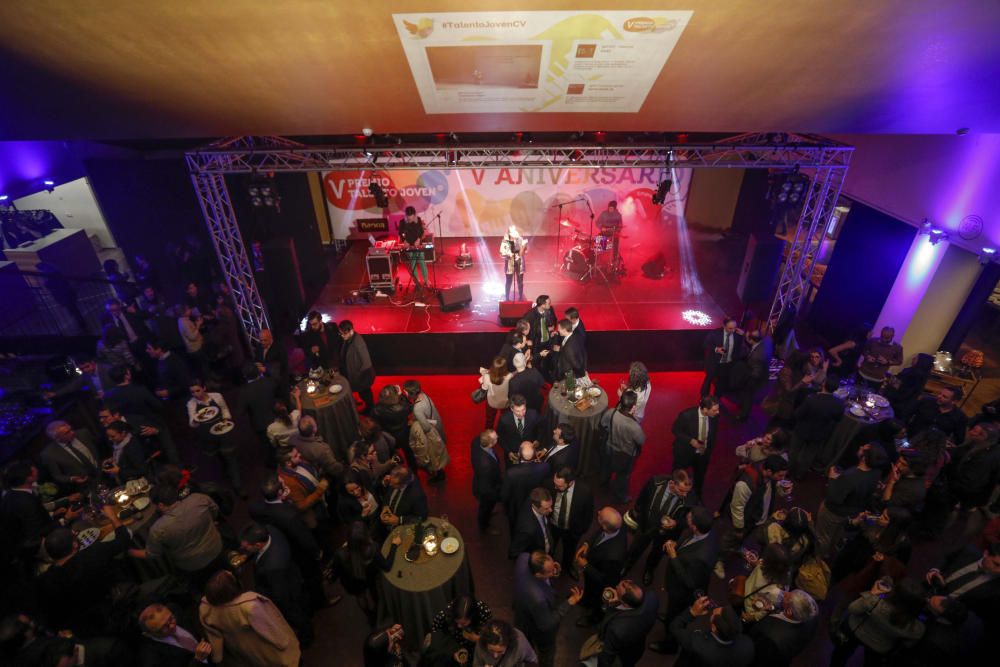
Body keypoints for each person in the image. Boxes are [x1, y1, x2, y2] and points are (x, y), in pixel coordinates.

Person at [35, 504, 131, 637]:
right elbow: (124, 540)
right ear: (74, 545)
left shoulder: (44, 581)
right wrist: (113, 517)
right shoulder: (92, 554)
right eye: (74, 536)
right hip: (116, 612)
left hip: (84, 631)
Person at [649, 507, 719, 655]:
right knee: (671, 613)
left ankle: (670, 645)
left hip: (682, 593)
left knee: (676, 619)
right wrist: (676, 544)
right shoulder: (705, 532)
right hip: (677, 586)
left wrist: (673, 556)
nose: (686, 518)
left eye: (689, 518)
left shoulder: (701, 556)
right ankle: (668, 616)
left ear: (694, 526)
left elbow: (689, 582)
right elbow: (689, 543)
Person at [199, 570, 301, 667]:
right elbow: (269, 630)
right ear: (231, 587)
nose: (231, 572)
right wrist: (283, 642)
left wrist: (217, 656)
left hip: (241, 647)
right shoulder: (249, 606)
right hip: (262, 646)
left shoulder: (205, 608)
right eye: (231, 577)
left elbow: (214, 635)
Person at [130, 485, 226, 586]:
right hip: (216, 547)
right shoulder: (199, 498)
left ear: (161, 505)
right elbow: (215, 510)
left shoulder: (158, 529)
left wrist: (129, 551)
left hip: (192, 566)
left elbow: (151, 554)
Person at [238, 523, 311, 644]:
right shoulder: (271, 530)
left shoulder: (272, 567)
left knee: (295, 615)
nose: (243, 549)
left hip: (286, 589)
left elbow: (280, 594)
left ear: (258, 545)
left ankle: (306, 637)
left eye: (246, 548)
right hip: (290, 573)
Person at [828, 578, 926, 667]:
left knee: (840, 656)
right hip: (880, 647)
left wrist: (872, 593)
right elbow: (909, 644)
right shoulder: (917, 628)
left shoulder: (874, 602)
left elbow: (852, 608)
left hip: (856, 630)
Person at [623, 468, 696, 585]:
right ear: (672, 483)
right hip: (646, 525)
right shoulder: (655, 483)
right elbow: (643, 496)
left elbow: (690, 520)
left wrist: (676, 523)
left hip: (666, 534)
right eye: (682, 491)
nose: (685, 495)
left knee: (657, 554)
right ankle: (627, 565)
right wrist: (638, 511)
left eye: (687, 491)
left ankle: (649, 570)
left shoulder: (690, 497)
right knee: (636, 547)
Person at [513, 552, 582, 667]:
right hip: (538, 628)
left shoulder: (524, 557)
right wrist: (569, 602)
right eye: (550, 571)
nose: (554, 571)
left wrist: (553, 572)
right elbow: (546, 624)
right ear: (538, 575)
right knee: (546, 654)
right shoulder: (538, 599)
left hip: (522, 615)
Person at [815, 444, 883, 559]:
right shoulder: (876, 472)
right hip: (852, 512)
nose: (860, 447)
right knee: (838, 536)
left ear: (865, 458)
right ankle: (829, 555)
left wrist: (832, 478)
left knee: (823, 537)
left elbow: (834, 498)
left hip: (833, 513)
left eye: (863, 448)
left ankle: (816, 558)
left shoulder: (851, 476)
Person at [334, 522, 400, 625]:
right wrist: (394, 545)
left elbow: (337, 572)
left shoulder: (339, 554)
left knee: (360, 596)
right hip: (369, 577)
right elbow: (387, 566)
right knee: (374, 590)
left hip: (353, 582)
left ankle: (369, 615)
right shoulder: (373, 549)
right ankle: (379, 609)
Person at [575, 507, 629, 626]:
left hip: (600, 585)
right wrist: (587, 543)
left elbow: (606, 581)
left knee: (598, 601)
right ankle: (586, 600)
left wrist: (585, 566)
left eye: (600, 515)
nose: (598, 512)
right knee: (589, 590)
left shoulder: (614, 557)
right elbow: (600, 532)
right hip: (593, 572)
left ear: (605, 526)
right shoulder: (615, 526)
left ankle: (594, 619)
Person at [590, 579, 659, 667]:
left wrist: (612, 606)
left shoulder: (616, 629)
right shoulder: (652, 598)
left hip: (621, 657)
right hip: (637, 649)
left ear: (625, 603)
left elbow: (607, 657)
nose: (616, 587)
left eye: (617, 588)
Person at [670, 596, 754, 667]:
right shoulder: (748, 645)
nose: (715, 608)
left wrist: (692, 612)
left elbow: (675, 627)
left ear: (714, 628)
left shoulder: (696, 643)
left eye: (713, 614)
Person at [748, 589, 819, 666]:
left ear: (789, 612)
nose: (785, 593)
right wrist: (772, 608)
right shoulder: (811, 616)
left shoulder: (770, 637)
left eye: (787, 597)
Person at [791, 376, 843, 477]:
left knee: (794, 451)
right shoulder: (838, 404)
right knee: (809, 455)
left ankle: (789, 471)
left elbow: (797, 414)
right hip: (819, 433)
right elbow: (838, 419)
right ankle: (800, 475)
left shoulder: (811, 399)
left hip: (802, 430)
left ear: (823, 384)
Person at [547, 466, 594, 576]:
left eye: (559, 486)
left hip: (572, 530)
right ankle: (549, 565)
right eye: (555, 483)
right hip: (552, 526)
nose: (554, 487)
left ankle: (567, 567)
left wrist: (580, 531)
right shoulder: (549, 484)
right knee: (550, 547)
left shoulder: (585, 492)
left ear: (571, 483)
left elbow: (588, 515)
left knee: (570, 550)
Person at [601, 390, 646, 503]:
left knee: (606, 468)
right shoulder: (634, 426)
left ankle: (604, 484)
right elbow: (641, 440)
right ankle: (621, 496)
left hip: (608, 448)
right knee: (622, 477)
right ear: (633, 407)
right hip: (625, 455)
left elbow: (603, 424)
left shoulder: (611, 412)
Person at [671, 395, 721, 497]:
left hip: (702, 454)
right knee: (678, 475)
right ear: (705, 409)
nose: (718, 412)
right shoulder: (687, 415)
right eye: (715, 410)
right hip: (685, 452)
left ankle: (697, 496)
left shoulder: (713, 417)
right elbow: (675, 430)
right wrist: (690, 441)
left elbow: (713, 434)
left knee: (700, 476)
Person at [137, 602, 214, 667]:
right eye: (163, 628)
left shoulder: (178, 611)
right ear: (148, 635)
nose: (172, 626)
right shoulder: (151, 658)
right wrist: (198, 660)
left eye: (171, 619)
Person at [950, 422, 1000, 511]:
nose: (972, 433)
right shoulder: (976, 445)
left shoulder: (983, 458)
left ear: (985, 439)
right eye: (973, 429)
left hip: (965, 492)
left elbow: (969, 482)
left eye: (978, 433)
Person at [39, 421, 101, 491]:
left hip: (105, 473)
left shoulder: (83, 433)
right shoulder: (49, 454)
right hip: (87, 487)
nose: (73, 433)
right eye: (67, 433)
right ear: (57, 438)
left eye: (71, 429)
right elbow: (57, 476)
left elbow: (100, 447)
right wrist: (71, 479)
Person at [277, 447, 330, 530]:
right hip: (315, 510)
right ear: (288, 463)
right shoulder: (289, 482)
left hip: (321, 500)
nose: (300, 455)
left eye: (298, 452)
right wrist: (320, 490)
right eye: (296, 455)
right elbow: (301, 505)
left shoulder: (299, 462)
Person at [502, 442, 550, 533]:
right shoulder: (545, 467)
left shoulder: (511, 473)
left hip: (517, 509)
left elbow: (505, 495)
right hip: (536, 506)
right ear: (535, 454)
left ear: (519, 454)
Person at [738, 544, 792, 624]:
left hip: (748, 606)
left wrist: (748, 618)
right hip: (747, 590)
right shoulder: (772, 566)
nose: (763, 558)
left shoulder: (776, 593)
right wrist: (756, 562)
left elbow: (764, 611)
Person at [430, 596, 494, 662]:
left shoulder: (483, 612)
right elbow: (437, 633)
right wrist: (454, 650)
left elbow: (490, 636)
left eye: (463, 623)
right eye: (456, 622)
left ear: (472, 617)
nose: (459, 626)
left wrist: (477, 639)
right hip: (453, 640)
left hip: (476, 642)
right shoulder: (446, 613)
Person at [237, 363, 279, 452]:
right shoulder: (269, 382)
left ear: (245, 376)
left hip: (260, 425)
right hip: (276, 418)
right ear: (258, 372)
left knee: (268, 446)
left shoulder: (244, 392)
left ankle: (272, 463)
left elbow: (240, 412)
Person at [372, 385, 415, 469]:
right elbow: (410, 408)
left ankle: (396, 467)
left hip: (388, 435)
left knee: (392, 453)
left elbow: (375, 423)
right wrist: (401, 395)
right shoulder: (403, 407)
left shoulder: (376, 410)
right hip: (404, 433)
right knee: (409, 453)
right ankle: (413, 470)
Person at [736, 326, 774, 421]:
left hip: (755, 377)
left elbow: (755, 372)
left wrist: (747, 380)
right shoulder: (767, 340)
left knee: (748, 395)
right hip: (763, 373)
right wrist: (745, 333)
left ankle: (743, 415)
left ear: (751, 341)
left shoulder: (756, 356)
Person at [701, 317, 745, 398]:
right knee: (708, 381)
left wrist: (744, 335)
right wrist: (716, 349)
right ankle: (704, 400)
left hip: (727, 364)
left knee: (721, 384)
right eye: (730, 328)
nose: (733, 330)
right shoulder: (715, 333)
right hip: (714, 362)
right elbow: (706, 344)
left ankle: (716, 400)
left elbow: (742, 348)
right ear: (724, 326)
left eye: (735, 328)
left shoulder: (738, 334)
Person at [340, 320, 376, 413]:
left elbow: (366, 363)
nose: (342, 335)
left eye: (344, 333)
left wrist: (357, 375)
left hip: (362, 376)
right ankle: (369, 407)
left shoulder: (358, 343)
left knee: (365, 393)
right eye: (341, 333)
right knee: (363, 393)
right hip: (357, 374)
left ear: (351, 331)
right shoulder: (349, 339)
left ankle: (370, 409)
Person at [472, 430, 503, 533]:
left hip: (483, 481)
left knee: (488, 506)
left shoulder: (476, 441)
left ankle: (489, 511)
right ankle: (484, 527)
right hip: (488, 490)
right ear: (490, 444)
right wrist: (495, 496)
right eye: (496, 438)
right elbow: (486, 488)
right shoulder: (486, 465)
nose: (498, 437)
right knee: (485, 507)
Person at [509, 487, 554, 559]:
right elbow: (514, 551)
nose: (551, 510)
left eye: (551, 506)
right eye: (546, 508)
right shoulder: (528, 529)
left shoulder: (533, 500)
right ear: (535, 506)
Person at [496, 394, 542, 461]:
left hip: (529, 449)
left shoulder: (533, 414)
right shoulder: (504, 419)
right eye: (517, 411)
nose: (521, 413)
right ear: (511, 409)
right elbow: (500, 436)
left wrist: (538, 439)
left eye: (523, 409)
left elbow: (541, 427)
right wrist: (508, 451)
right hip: (513, 451)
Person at [522, 295, 557, 377]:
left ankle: (546, 377)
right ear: (542, 305)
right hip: (537, 343)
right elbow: (522, 328)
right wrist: (526, 340)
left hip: (548, 341)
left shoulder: (550, 309)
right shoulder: (530, 315)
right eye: (549, 303)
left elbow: (554, 319)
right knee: (537, 362)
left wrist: (552, 327)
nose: (550, 304)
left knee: (547, 361)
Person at [400, 205, 430, 290]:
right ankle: (416, 282)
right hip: (409, 245)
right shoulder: (402, 222)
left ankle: (426, 280)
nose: (409, 220)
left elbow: (421, 231)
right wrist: (404, 240)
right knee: (412, 264)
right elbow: (400, 233)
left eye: (411, 218)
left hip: (417, 244)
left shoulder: (419, 220)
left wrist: (419, 239)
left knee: (421, 262)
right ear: (406, 216)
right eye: (408, 218)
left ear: (414, 215)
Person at [480, 356, 513, 430]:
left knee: (489, 420)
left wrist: (484, 374)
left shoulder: (487, 377)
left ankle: (488, 435)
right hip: (505, 403)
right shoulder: (509, 376)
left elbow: (484, 388)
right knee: (506, 420)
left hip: (491, 402)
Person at [499, 224, 528, 302]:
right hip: (509, 263)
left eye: (515, 230)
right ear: (509, 232)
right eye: (512, 231)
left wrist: (524, 247)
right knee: (509, 281)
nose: (514, 232)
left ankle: (521, 297)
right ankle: (507, 298)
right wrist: (508, 254)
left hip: (519, 262)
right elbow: (501, 253)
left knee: (520, 281)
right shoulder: (505, 241)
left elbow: (525, 251)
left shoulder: (521, 239)